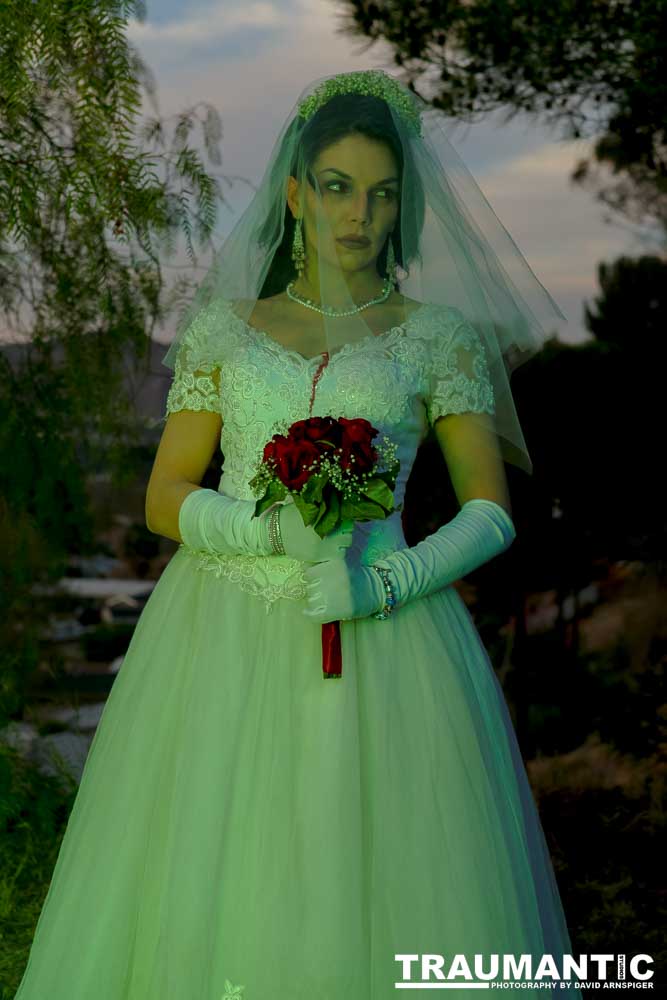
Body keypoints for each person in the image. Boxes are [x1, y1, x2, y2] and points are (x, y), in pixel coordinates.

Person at [14, 70, 582, 999]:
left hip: (390, 640)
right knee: (211, 870)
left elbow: (489, 511)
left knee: (384, 867)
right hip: (218, 635)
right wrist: (262, 532)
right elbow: (163, 496)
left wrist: (382, 584)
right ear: (293, 193)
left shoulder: (438, 337)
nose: (358, 213)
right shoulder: (223, 331)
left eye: (382, 191)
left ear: (405, 204)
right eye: (336, 186)